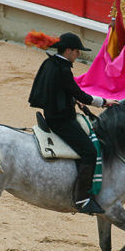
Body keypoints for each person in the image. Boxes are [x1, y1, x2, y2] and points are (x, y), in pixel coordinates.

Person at [29, 33, 115, 215]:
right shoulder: (63, 69)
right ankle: (82, 199)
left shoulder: (51, 62)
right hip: (61, 119)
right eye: (76, 51)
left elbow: (60, 90)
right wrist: (104, 102)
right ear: (68, 50)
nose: (78, 55)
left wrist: (73, 100)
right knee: (89, 152)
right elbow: (79, 93)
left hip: (54, 113)